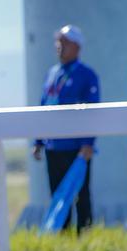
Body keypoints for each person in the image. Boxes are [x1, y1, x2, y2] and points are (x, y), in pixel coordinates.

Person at [32, 24, 100, 233]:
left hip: (76, 147)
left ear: (77, 47)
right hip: (54, 146)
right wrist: (39, 141)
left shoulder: (86, 75)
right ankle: (62, 235)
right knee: (57, 192)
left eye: (65, 43)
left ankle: (84, 235)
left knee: (80, 193)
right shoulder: (52, 74)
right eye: (58, 42)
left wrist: (88, 143)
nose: (59, 47)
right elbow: (44, 106)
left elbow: (92, 112)